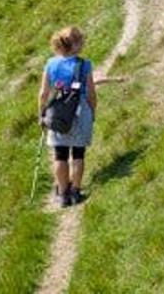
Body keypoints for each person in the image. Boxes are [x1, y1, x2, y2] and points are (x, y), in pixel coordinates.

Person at [39, 26, 97, 208]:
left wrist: (41, 114)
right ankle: (76, 192)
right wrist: (92, 110)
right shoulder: (84, 64)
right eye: (81, 40)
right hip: (80, 111)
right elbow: (91, 93)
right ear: (76, 45)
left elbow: (43, 93)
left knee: (60, 154)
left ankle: (62, 195)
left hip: (58, 113)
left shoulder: (50, 64)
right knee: (78, 153)